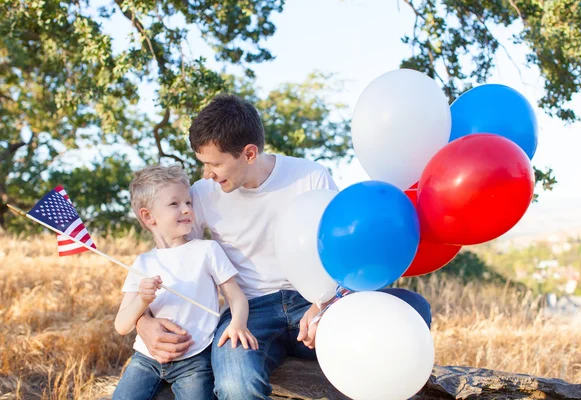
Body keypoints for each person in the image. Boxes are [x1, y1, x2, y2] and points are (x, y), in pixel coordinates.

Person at [135, 94, 432, 399]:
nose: (207, 174)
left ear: (249, 153)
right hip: (250, 310)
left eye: (215, 164)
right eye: (203, 164)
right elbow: (170, 260)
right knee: (236, 386)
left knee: (414, 308)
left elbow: (344, 253)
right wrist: (142, 321)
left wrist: (326, 304)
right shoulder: (202, 193)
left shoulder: (310, 177)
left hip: (316, 301)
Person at [113, 164, 257, 400]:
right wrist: (142, 299)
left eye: (188, 202)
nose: (187, 209)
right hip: (146, 359)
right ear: (148, 216)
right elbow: (121, 325)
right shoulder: (143, 263)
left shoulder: (207, 250)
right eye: (174, 204)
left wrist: (238, 324)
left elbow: (236, 296)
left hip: (195, 360)